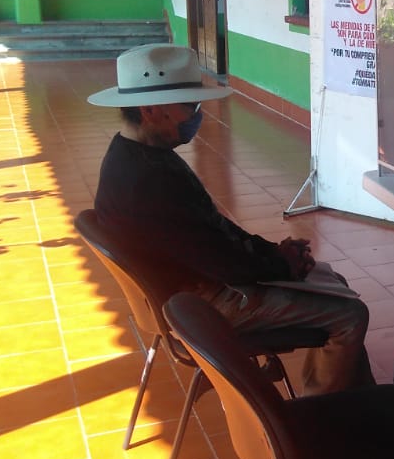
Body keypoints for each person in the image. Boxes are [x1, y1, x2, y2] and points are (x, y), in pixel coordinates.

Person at [88, 43, 374, 395]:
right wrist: (280, 264)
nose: (196, 115)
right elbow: (221, 262)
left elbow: (213, 234)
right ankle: (322, 412)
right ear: (151, 110)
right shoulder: (148, 180)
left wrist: (273, 252)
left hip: (192, 286)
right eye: (189, 106)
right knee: (350, 315)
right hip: (200, 302)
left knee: (332, 281)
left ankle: (354, 398)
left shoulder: (134, 154)